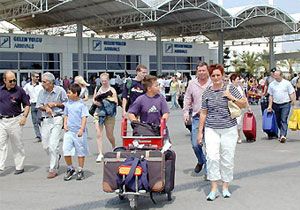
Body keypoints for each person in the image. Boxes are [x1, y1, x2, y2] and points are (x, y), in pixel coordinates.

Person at [197, 64, 247, 201]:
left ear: (223, 75)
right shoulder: (207, 92)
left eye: (218, 75)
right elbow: (203, 112)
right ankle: (213, 188)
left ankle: (225, 186)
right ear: (210, 76)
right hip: (211, 128)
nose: (216, 78)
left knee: (227, 158)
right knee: (212, 157)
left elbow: (244, 103)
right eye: (213, 75)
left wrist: (231, 97)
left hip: (229, 128)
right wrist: (199, 132)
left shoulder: (230, 88)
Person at [36, 72, 68, 179]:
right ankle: (56, 156)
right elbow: (39, 105)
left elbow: (67, 104)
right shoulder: (41, 92)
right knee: (46, 145)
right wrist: (46, 107)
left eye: (44, 82)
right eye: (42, 81)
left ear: (51, 83)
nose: (42, 84)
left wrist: (55, 104)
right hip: (45, 119)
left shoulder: (60, 90)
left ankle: (53, 168)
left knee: (53, 144)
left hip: (57, 118)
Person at [0, 70, 30, 175]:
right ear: (4, 80)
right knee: (1, 144)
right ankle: (0, 166)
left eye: (14, 80)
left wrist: (24, 117)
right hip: (2, 121)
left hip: (15, 120)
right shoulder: (0, 90)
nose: (13, 82)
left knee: (17, 144)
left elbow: (27, 105)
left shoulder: (20, 90)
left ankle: (19, 166)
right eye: (10, 80)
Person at [183, 62, 211, 174]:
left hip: (211, 118)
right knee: (195, 144)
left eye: (204, 70)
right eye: (199, 71)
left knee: (210, 145)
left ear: (208, 71)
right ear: (197, 72)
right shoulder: (192, 83)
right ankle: (201, 160)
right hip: (196, 118)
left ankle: (209, 171)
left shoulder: (212, 83)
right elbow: (187, 98)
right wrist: (186, 112)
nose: (202, 73)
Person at [63, 83, 89, 181]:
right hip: (69, 131)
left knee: (80, 151)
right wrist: (65, 124)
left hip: (78, 132)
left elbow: (84, 117)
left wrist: (81, 129)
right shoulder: (68, 104)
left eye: (69, 93)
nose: (67, 94)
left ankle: (80, 169)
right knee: (66, 150)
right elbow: (66, 115)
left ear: (76, 94)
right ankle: (70, 168)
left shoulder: (81, 104)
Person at [93, 73, 118, 163]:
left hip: (109, 115)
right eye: (102, 81)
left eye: (105, 81)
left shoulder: (112, 90)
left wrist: (106, 100)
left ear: (108, 80)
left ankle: (114, 147)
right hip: (98, 113)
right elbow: (94, 100)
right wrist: (98, 102)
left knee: (109, 134)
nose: (104, 82)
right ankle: (100, 153)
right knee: (99, 134)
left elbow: (116, 101)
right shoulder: (98, 89)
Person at [267, 70, 296, 143]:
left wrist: (293, 101)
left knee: (284, 119)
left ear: (281, 75)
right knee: (278, 120)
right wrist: (269, 106)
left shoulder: (287, 83)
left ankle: (283, 135)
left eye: (276, 75)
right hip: (275, 104)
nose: (275, 76)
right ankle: (282, 132)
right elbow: (270, 96)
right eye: (274, 75)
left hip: (285, 104)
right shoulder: (272, 84)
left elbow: (291, 92)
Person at [230, 73, 251, 144]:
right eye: (237, 79)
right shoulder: (230, 88)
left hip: (240, 108)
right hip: (233, 108)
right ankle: (234, 136)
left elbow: (244, 97)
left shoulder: (240, 87)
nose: (238, 81)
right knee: (234, 123)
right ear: (233, 81)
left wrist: (248, 107)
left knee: (239, 123)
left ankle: (239, 136)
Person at [23, 72, 43, 143]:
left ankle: (45, 135)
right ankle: (38, 136)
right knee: (34, 122)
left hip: (40, 105)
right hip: (32, 105)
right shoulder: (27, 86)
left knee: (40, 120)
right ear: (32, 77)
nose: (38, 78)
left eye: (38, 77)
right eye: (36, 77)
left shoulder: (41, 85)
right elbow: (23, 93)